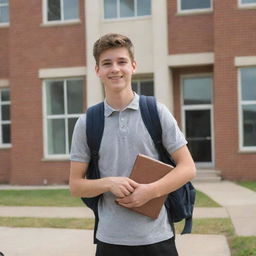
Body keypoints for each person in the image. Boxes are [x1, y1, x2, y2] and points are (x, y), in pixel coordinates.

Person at [69, 33, 196, 256]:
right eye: (107, 63)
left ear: (133, 66)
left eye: (122, 62)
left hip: (159, 239)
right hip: (110, 241)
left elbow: (188, 168)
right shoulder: (86, 122)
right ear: (97, 70)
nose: (115, 69)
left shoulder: (156, 112)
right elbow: (76, 185)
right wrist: (108, 183)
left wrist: (150, 191)